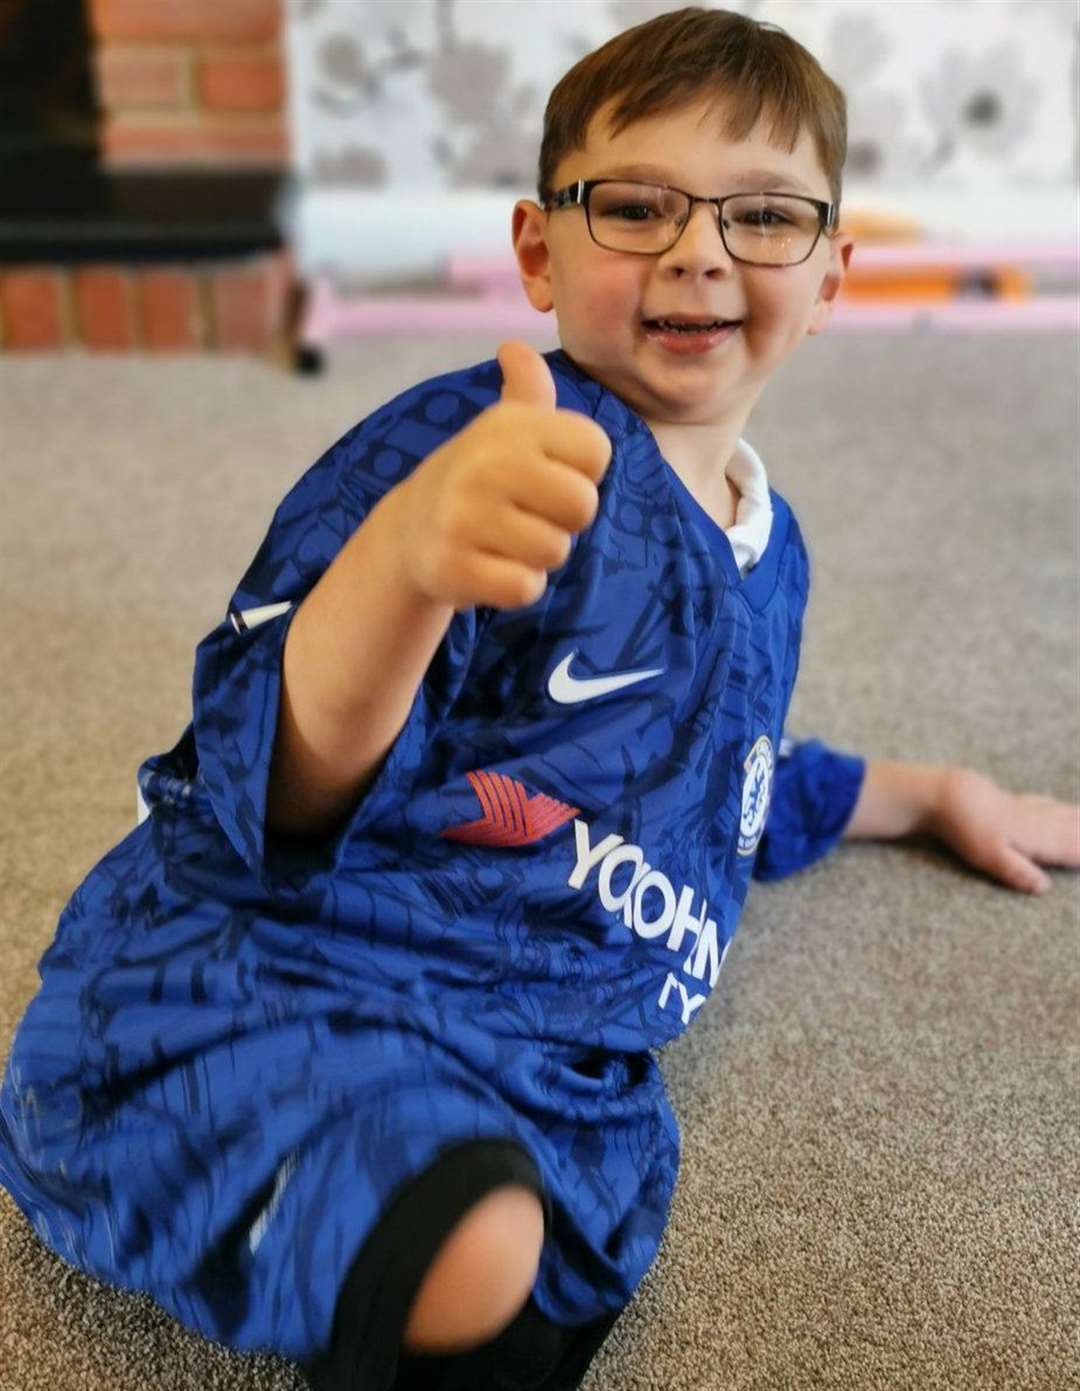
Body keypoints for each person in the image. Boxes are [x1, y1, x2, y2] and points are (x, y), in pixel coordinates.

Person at [1, 8, 1077, 1391]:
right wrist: (402, 567)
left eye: (762, 216)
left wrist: (927, 795)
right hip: (299, 971)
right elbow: (268, 785)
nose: (698, 248)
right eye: (636, 206)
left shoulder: (776, 553)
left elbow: (715, 780)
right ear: (538, 253)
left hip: (549, 1051)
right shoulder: (479, 451)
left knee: (543, 1238)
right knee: (469, 1237)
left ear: (832, 277)